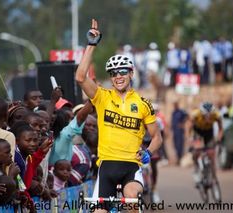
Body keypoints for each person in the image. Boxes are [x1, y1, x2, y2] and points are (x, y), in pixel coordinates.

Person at [75, 19, 162, 212]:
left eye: (123, 72)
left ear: (131, 74)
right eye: (114, 73)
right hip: (106, 166)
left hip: (131, 165)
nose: (118, 76)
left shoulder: (142, 103)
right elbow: (80, 77)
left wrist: (148, 152)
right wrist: (91, 45)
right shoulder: (102, 97)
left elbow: (156, 136)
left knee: (131, 197)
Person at [189, 102, 223, 185]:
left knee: (211, 153)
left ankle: (214, 176)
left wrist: (218, 139)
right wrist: (190, 139)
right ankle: (196, 168)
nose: (208, 117)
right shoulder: (195, 115)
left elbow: (221, 129)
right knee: (197, 150)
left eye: (210, 115)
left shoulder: (217, 115)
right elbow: (189, 127)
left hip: (209, 132)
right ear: (201, 113)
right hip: (198, 132)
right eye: (205, 115)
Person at [171, 101, 188, 165]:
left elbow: (187, 116)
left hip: (179, 131)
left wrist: (182, 124)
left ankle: (179, 158)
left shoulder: (181, 112)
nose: (175, 106)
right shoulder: (173, 112)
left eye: (176, 105)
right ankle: (177, 158)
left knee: (179, 145)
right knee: (175, 144)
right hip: (175, 131)